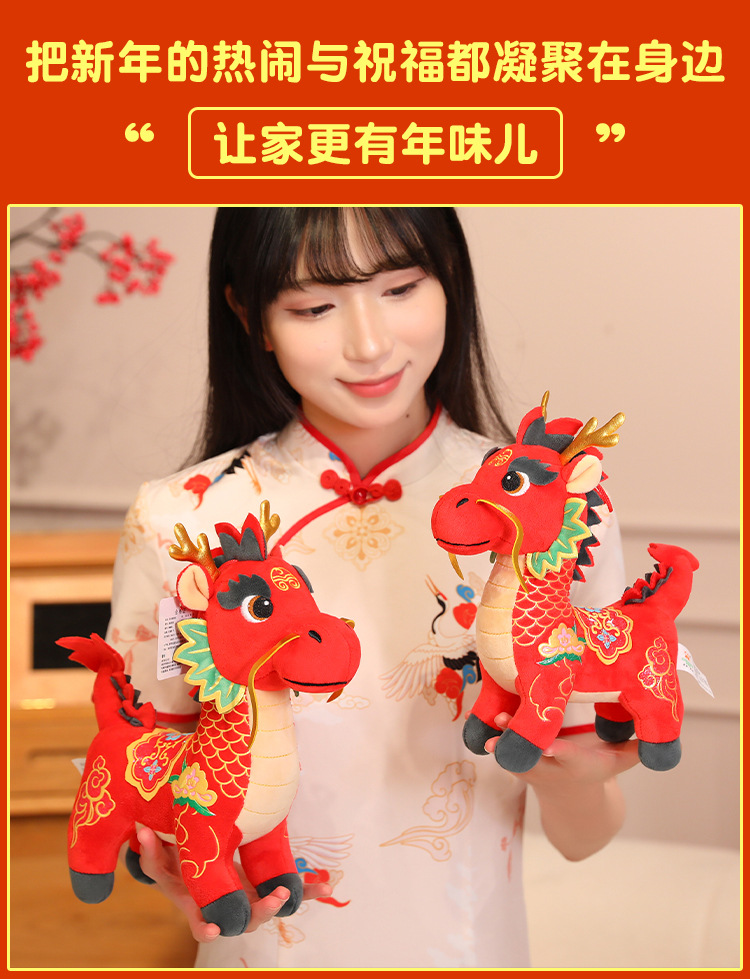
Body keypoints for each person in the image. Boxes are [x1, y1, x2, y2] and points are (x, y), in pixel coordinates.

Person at [106, 207, 638, 969]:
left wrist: (576, 779)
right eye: (314, 307)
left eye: (400, 288)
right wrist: (167, 862)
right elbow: (145, 766)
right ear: (250, 315)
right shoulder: (179, 520)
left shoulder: (553, 508)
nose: (369, 343)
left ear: (449, 281)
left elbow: (586, 837)